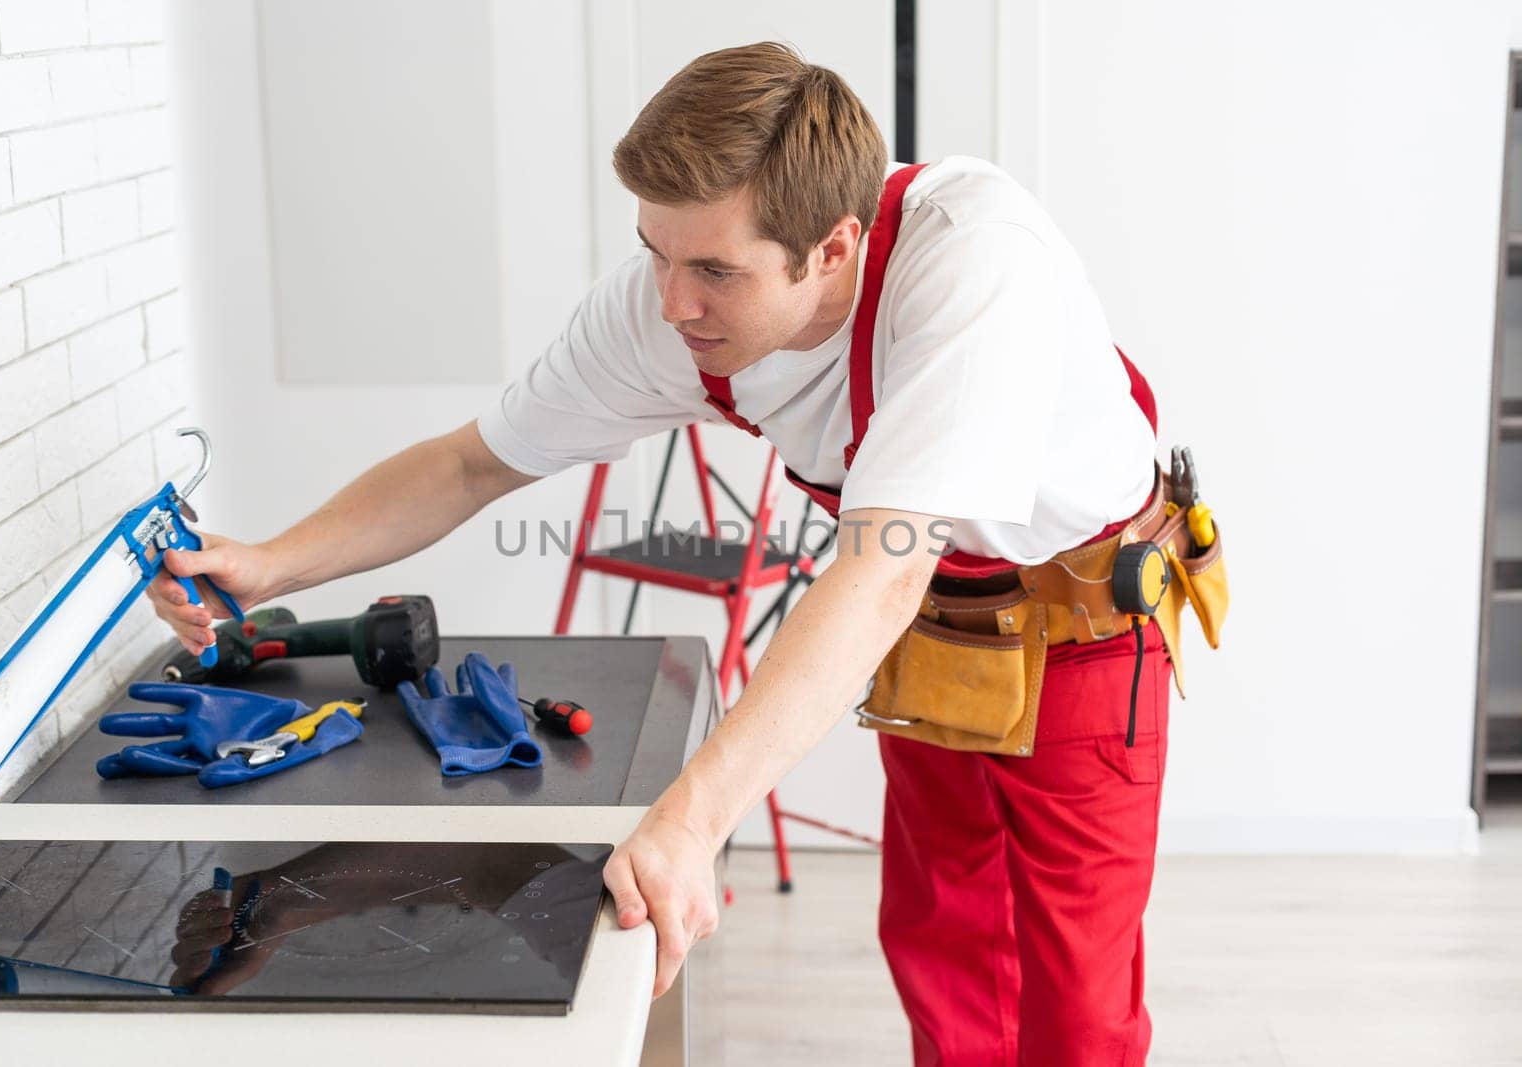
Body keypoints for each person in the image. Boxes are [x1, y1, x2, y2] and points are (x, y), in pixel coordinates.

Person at [148, 41, 1208, 1067]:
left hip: (1082, 629)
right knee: (943, 950)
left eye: (712, 269)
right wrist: (269, 565)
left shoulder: (973, 266)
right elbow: (475, 466)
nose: (670, 302)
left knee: (1074, 1000)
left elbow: (877, 565)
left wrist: (692, 819)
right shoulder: (666, 308)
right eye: (655, 250)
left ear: (832, 248)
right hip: (936, 623)